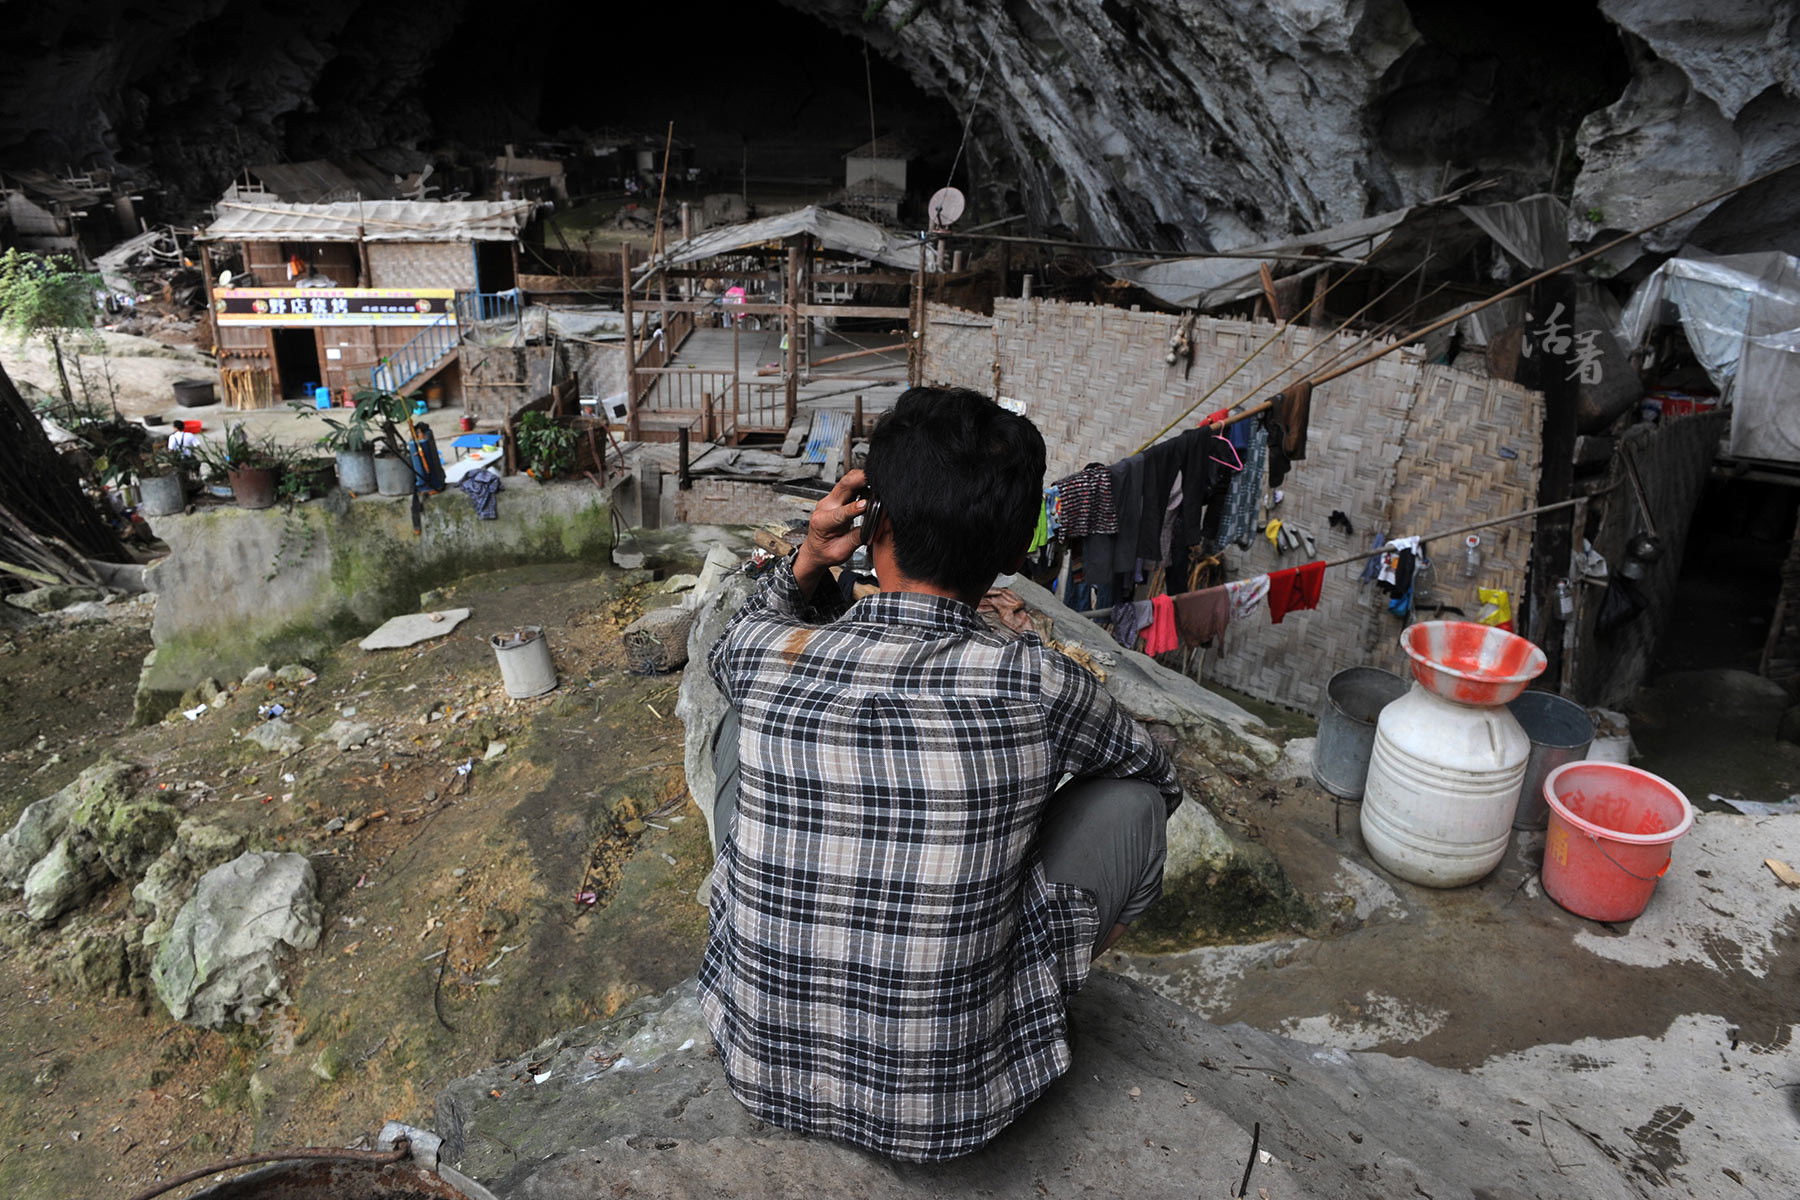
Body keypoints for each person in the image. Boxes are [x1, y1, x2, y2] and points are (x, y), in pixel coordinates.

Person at [699, 386, 1182, 1162]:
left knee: (737, 726)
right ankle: (1017, 998)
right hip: (948, 1113)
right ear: (1008, 556)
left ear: (873, 524)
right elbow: (1154, 781)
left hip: (762, 1073)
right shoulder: (1038, 682)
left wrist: (812, 556)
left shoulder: (766, 651)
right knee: (1132, 804)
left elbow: (730, 650)